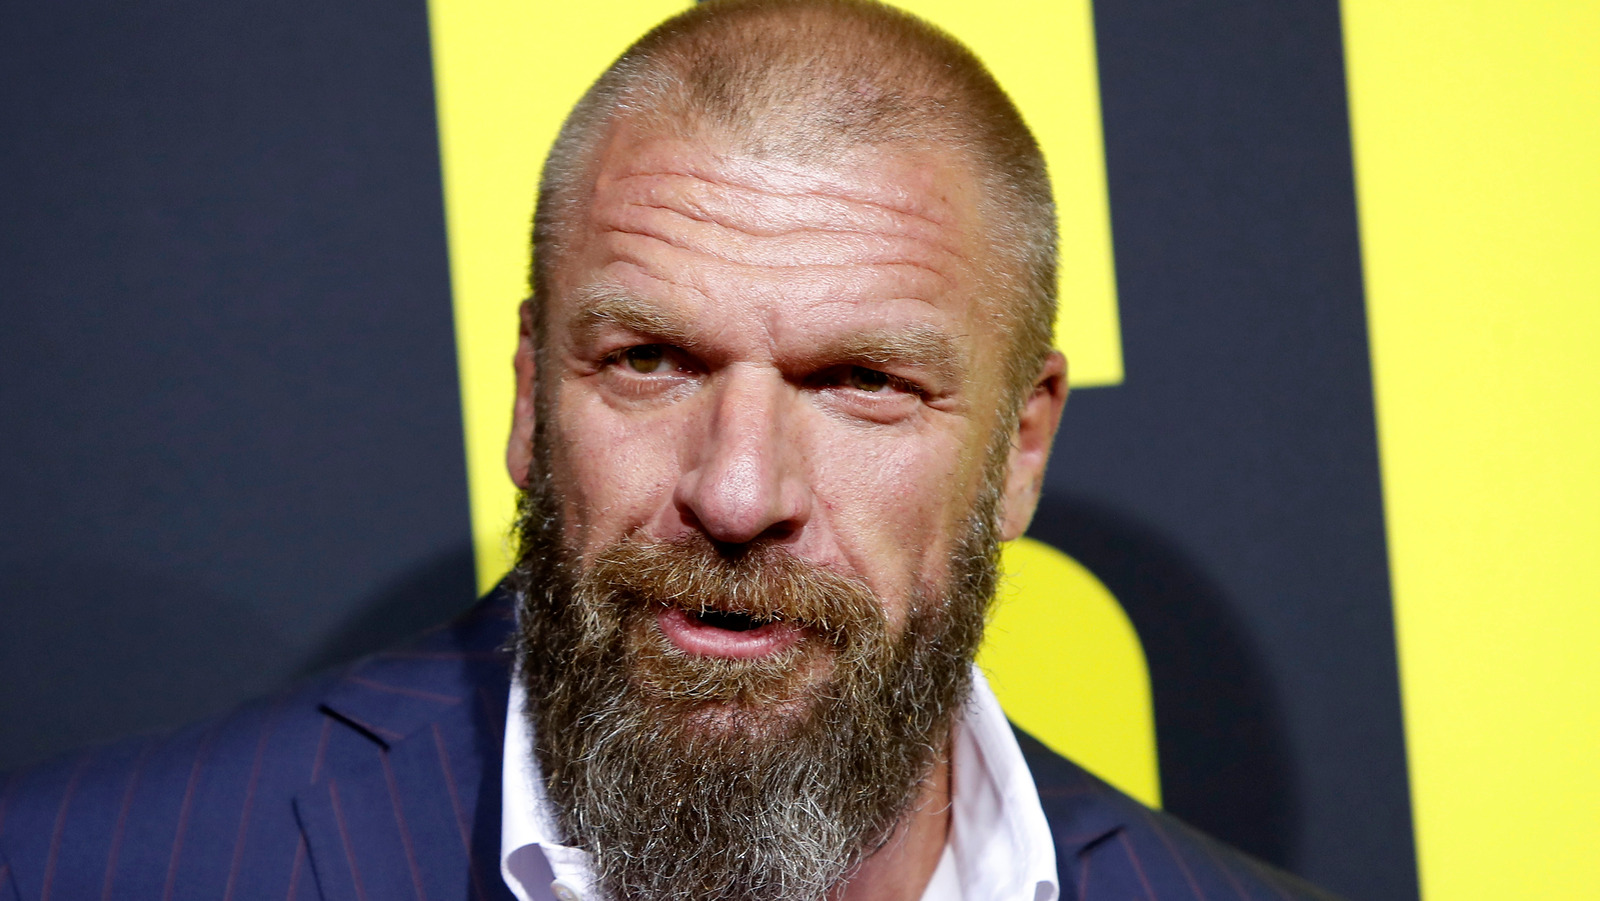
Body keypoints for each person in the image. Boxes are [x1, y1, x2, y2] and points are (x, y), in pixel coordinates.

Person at [0, 2, 1339, 899]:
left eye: (861, 382)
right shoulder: (87, 869)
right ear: (531, 393)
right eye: (649, 360)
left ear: (1020, 445)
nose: (737, 492)